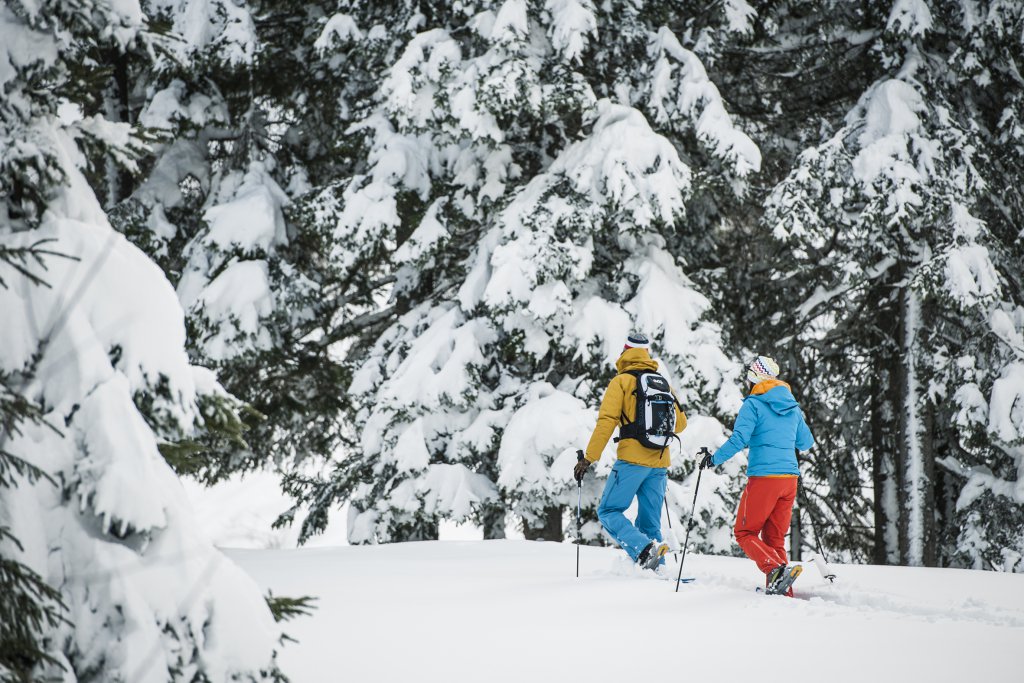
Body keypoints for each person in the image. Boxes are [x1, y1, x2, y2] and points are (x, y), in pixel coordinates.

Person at [699, 355, 814, 595]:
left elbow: (739, 439)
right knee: (774, 539)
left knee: (744, 532)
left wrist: (713, 459)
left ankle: (774, 569)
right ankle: (784, 593)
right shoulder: (792, 407)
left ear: (753, 379)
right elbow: (805, 442)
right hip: (789, 480)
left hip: (765, 478)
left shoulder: (753, 404)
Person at [574, 333, 687, 570]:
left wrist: (588, 458)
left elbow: (606, 422)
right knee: (649, 524)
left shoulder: (621, 381)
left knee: (608, 510)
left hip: (631, 461)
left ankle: (644, 551)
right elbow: (681, 424)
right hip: (659, 463)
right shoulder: (661, 382)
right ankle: (659, 568)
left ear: (625, 352)